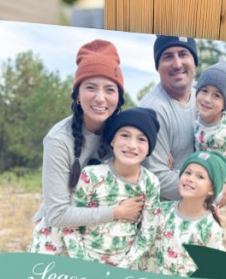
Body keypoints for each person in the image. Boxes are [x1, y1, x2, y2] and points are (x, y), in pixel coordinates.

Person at [30, 39, 145, 255]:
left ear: (119, 98)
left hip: (101, 239)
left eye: (110, 89)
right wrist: (117, 212)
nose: (100, 98)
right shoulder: (58, 140)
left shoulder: (125, 137)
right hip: (58, 238)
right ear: (77, 95)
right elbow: (57, 215)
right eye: (90, 87)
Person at [63, 108, 162, 268]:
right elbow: (71, 226)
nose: (132, 145)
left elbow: (147, 235)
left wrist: (123, 268)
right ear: (112, 140)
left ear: (149, 148)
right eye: (124, 135)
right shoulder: (91, 176)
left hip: (126, 267)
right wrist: (83, 266)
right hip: (86, 264)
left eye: (141, 139)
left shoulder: (150, 183)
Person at [139, 35, 199, 202]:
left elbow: (223, 145)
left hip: (195, 208)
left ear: (194, 61)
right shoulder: (153, 110)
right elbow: (158, 179)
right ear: (158, 66)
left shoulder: (204, 98)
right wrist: (210, 191)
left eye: (183, 54)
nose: (177, 64)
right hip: (166, 217)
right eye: (167, 57)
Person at [151, 151, 226, 277]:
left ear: (212, 189)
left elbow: (213, 270)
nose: (190, 179)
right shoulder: (161, 211)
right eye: (187, 172)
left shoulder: (210, 229)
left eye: (200, 177)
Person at [193, 61, 226, 197]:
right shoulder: (201, 113)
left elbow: (212, 169)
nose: (207, 99)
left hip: (220, 180)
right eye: (204, 91)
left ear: (225, 103)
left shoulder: (220, 135)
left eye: (216, 95)